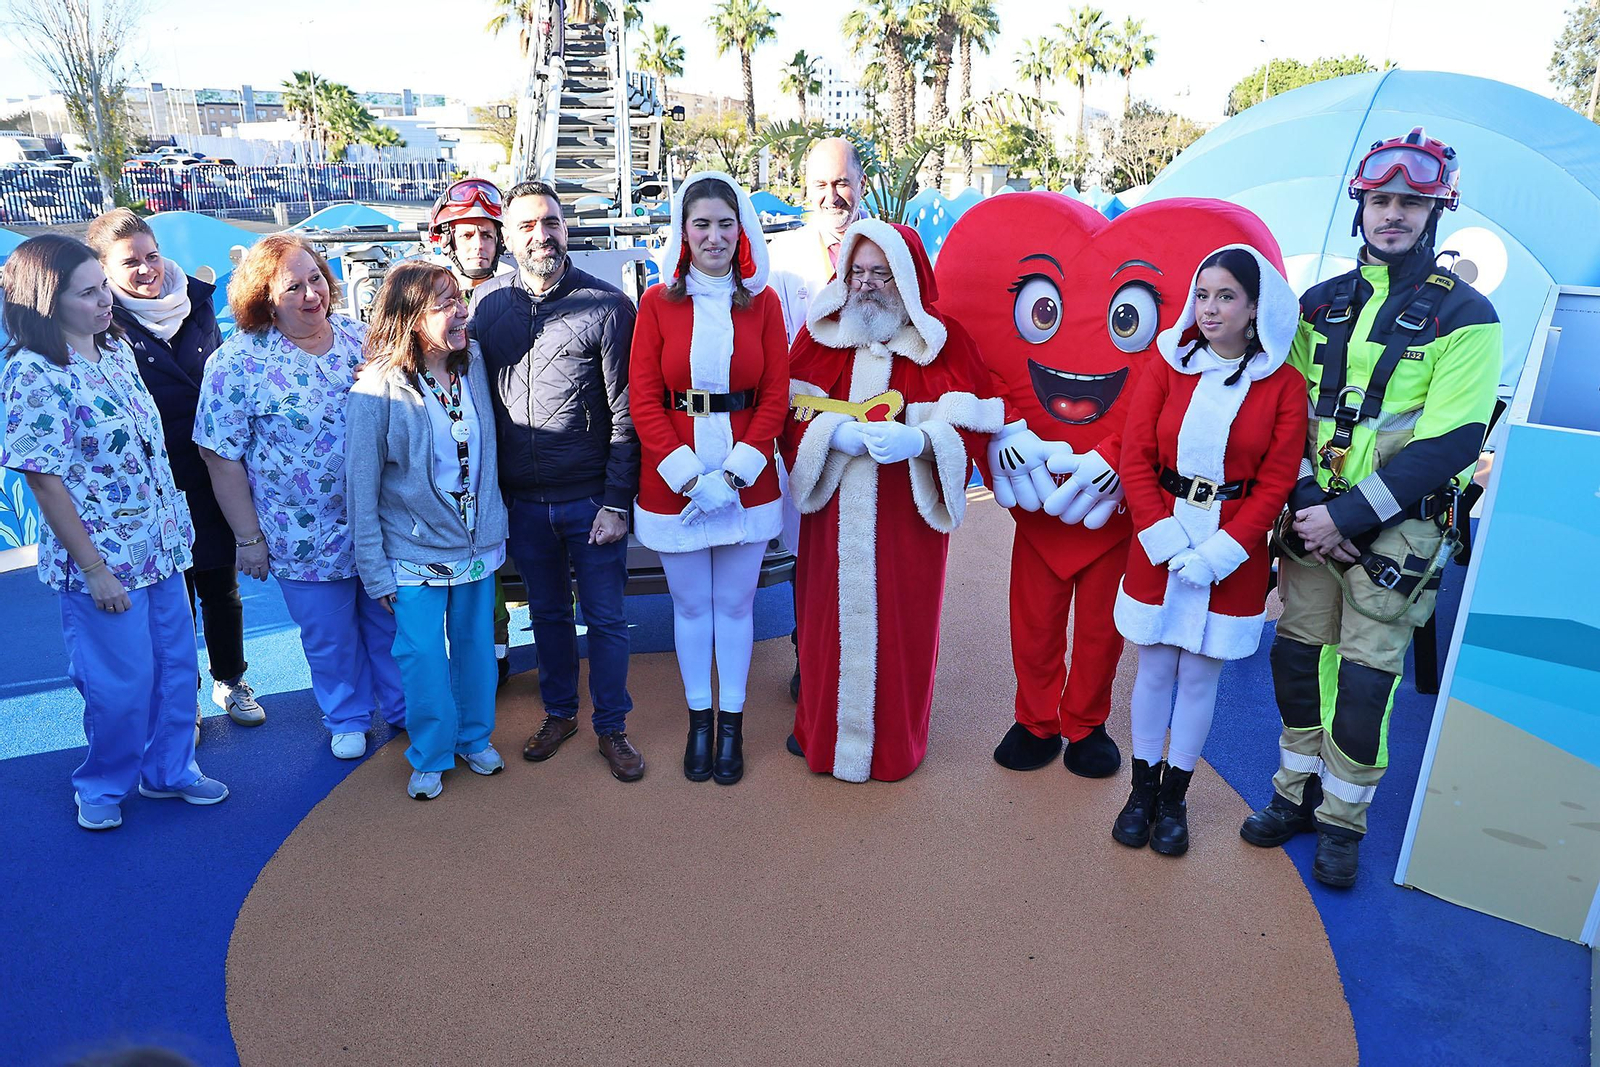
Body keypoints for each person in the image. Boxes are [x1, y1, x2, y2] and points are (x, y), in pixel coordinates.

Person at [1239, 128, 1501, 887]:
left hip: (1394, 533)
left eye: (1411, 203)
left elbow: (1451, 442)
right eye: (1381, 200)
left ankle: (1341, 823)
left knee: (1363, 684)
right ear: (1361, 206)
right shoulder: (1317, 305)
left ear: (1435, 213)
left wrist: (1346, 519)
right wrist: (1310, 506)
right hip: (1313, 521)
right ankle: (1293, 793)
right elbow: (1284, 414)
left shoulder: (1469, 316)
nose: (1393, 214)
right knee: (1295, 659)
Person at [0, 234, 228, 830]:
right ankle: (102, 784)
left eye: (103, 286)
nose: (105, 300)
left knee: (176, 669)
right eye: (88, 293)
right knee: (118, 685)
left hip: (161, 547)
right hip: (102, 561)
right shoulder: (33, 373)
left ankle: (170, 770)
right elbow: (44, 479)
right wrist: (95, 569)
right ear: (46, 301)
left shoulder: (117, 349)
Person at [781, 220, 1004, 782]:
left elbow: (974, 423)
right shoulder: (818, 336)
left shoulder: (944, 342)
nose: (866, 284)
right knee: (823, 626)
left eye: (881, 273)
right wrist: (830, 434)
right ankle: (821, 732)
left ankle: (893, 746)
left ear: (907, 279)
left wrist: (921, 441)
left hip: (906, 519)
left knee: (904, 631)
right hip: (833, 516)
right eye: (857, 272)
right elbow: (785, 414)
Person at [1111, 245, 1306, 855]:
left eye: (1226, 296)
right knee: (1154, 669)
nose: (1210, 308)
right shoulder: (1167, 365)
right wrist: (1164, 538)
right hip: (1160, 536)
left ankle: (1174, 798)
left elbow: (1275, 483)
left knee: (1199, 677)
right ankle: (1140, 793)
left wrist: (1221, 552)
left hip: (1233, 551)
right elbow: (1135, 457)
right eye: (1202, 295)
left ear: (1255, 308)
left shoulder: (1283, 385)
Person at [195, 235, 406, 760]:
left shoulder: (363, 339)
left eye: (316, 279)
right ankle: (347, 715)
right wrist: (248, 539)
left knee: (392, 624)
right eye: (294, 286)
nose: (312, 294)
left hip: (380, 523)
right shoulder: (235, 363)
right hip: (301, 535)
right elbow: (219, 456)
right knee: (330, 635)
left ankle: (405, 708)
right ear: (264, 297)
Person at [471, 180, 644, 782]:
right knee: (546, 615)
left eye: (550, 222)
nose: (541, 235)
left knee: (606, 618)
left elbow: (626, 413)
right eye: (526, 226)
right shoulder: (488, 307)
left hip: (591, 500)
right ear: (508, 236)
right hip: (523, 503)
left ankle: (612, 727)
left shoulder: (609, 307)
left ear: (565, 228)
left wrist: (617, 502)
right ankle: (560, 714)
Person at [629, 172, 788, 785]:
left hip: (749, 481)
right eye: (702, 224)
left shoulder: (765, 304)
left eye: (726, 223)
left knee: (737, 605)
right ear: (683, 231)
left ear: (741, 230)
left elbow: (774, 397)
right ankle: (701, 722)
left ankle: (733, 725)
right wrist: (693, 479)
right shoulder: (655, 304)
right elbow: (644, 399)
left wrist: (737, 474)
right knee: (693, 606)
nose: (715, 236)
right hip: (675, 484)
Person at [86, 208, 263, 743]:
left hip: (210, 470)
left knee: (221, 587)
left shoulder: (198, 303)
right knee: (172, 602)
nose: (147, 269)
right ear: (103, 269)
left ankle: (230, 679)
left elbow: (222, 380)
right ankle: (182, 695)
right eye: (130, 262)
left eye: (152, 255)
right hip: (150, 483)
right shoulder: (102, 321)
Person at [347, 261, 509, 800]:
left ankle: (474, 737)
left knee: (477, 650)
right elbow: (361, 487)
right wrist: (374, 570)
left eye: (460, 299)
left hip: (476, 544)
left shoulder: (475, 362)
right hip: (412, 552)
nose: (461, 312)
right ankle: (432, 752)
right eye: (444, 305)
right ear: (411, 318)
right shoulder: (376, 389)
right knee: (422, 659)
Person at [768, 136, 868, 703]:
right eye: (821, 185)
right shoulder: (782, 257)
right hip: (805, 432)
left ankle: (865, 662)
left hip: (874, 429)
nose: (833, 196)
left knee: (867, 549)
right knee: (808, 555)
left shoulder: (887, 247)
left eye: (842, 182)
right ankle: (810, 658)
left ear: (861, 183)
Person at [427, 177, 516, 684]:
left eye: (486, 234)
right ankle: (491, 651)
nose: (478, 244)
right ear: (448, 240)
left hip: (514, 441)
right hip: (456, 451)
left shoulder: (519, 288)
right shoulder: (424, 291)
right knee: (475, 555)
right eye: (466, 235)